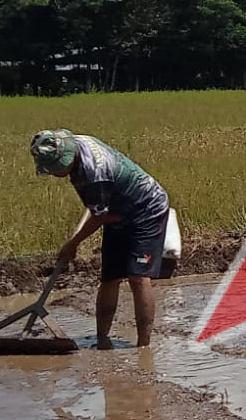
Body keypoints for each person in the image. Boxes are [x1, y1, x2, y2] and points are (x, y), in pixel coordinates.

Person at [31, 129, 171, 349]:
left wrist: (73, 243)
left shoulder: (95, 173)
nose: (55, 174)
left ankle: (144, 347)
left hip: (146, 208)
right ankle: (102, 341)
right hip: (115, 210)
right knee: (110, 276)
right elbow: (99, 207)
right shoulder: (75, 143)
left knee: (138, 277)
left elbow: (99, 215)